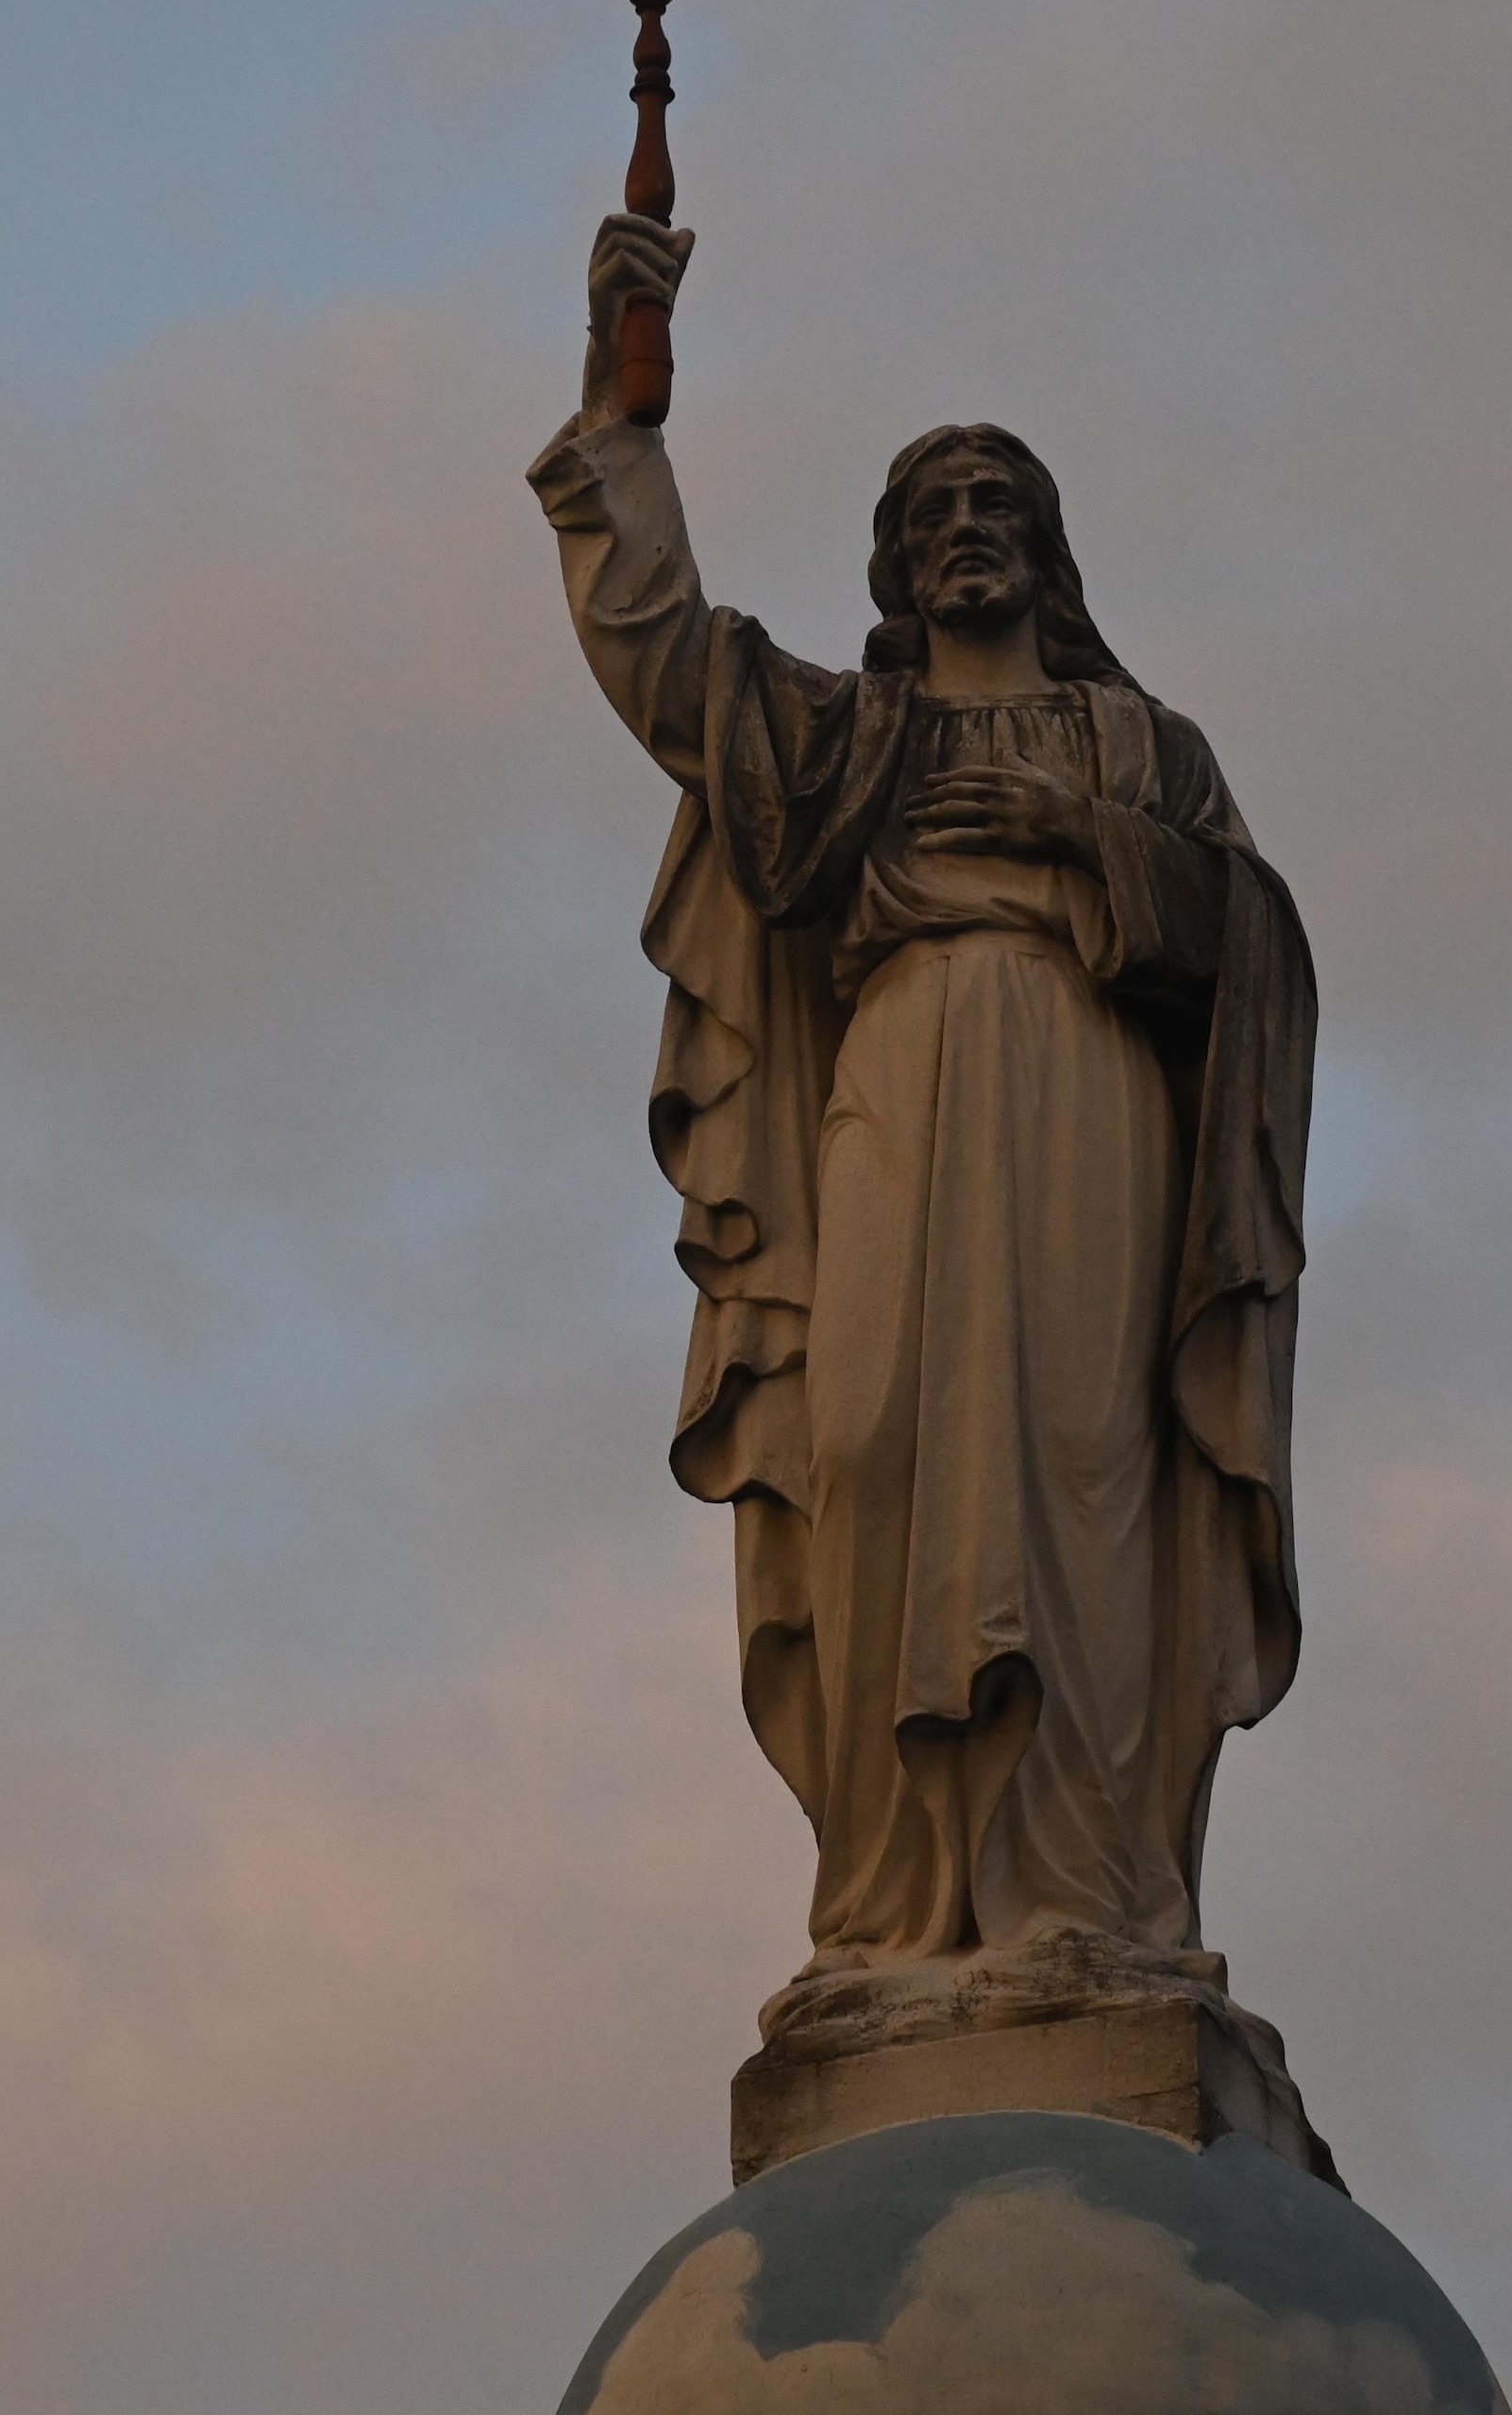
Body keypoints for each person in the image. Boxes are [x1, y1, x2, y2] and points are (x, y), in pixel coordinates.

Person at [530, 212, 1319, 2047]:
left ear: (1047, 556)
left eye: (998, 507)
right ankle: (893, 1900)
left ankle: (1087, 1899)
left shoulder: (1143, 748)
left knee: (1074, 1453)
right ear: (894, 561)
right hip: (892, 1073)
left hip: (1084, 1084)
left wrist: (1083, 847)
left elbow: (1247, 953)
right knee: (878, 1436)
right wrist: (620, 410)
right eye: (931, 510)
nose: (965, 527)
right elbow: (663, 664)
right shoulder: (843, 745)